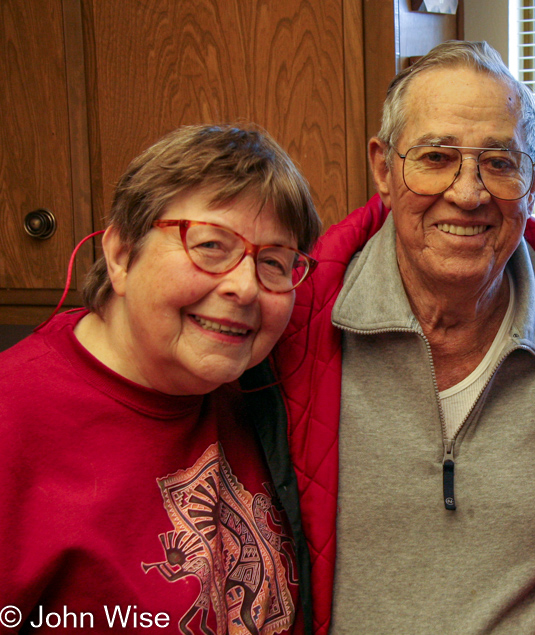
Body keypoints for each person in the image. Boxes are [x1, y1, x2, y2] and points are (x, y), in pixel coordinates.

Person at [244, 41, 535, 633]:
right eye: (436, 157)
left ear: (534, 176)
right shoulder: (287, 322)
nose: (468, 193)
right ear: (384, 168)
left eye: (500, 162)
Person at [0, 124, 322, 634]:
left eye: (273, 262)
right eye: (211, 245)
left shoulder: (268, 391)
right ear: (123, 255)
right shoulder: (13, 418)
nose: (244, 287)